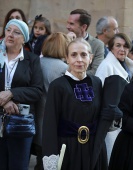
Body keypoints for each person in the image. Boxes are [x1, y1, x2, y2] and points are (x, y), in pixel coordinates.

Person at [42, 38, 121, 170]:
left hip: (94, 148)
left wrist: (114, 112)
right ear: (66, 58)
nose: (79, 59)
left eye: (83, 55)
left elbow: (101, 115)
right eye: (73, 55)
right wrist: (51, 159)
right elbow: (50, 124)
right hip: (68, 149)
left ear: (90, 58)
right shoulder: (57, 86)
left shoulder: (96, 82)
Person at [0, 19, 43, 170]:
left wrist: (12, 93)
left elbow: (37, 90)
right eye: (8, 30)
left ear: (24, 38)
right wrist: (3, 101)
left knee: (18, 166)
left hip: (20, 123)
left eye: (16, 32)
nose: (10, 35)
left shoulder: (32, 60)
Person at [95, 33, 133, 163]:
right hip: (110, 124)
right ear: (111, 48)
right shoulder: (106, 65)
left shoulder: (129, 66)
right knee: (110, 159)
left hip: (123, 122)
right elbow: (97, 94)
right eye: (118, 45)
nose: (122, 49)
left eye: (125, 46)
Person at [33, 32, 70, 170]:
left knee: (39, 162)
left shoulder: (37, 62)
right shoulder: (64, 69)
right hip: (53, 128)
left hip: (35, 123)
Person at [66, 9, 105, 75]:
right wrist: (67, 42)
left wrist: (76, 75)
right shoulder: (64, 41)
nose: (67, 27)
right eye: (68, 23)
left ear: (83, 27)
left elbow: (96, 71)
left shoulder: (97, 45)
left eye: (71, 24)